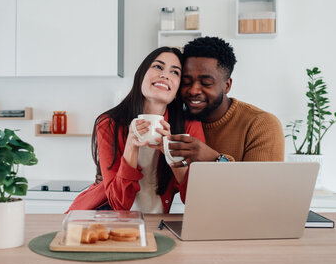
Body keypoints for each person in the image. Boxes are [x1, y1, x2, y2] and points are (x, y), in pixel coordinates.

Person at [67, 47, 205, 213]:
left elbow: (195, 198)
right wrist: (131, 148)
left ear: (177, 91)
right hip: (103, 215)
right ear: (141, 76)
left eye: (175, 72)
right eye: (158, 67)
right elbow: (119, 204)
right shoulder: (108, 123)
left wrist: (172, 155)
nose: (165, 75)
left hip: (155, 221)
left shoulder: (189, 126)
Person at [167, 36, 284, 168]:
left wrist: (215, 159)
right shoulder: (174, 120)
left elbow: (262, 185)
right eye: (186, 82)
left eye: (206, 83)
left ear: (227, 86)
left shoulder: (261, 125)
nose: (193, 91)